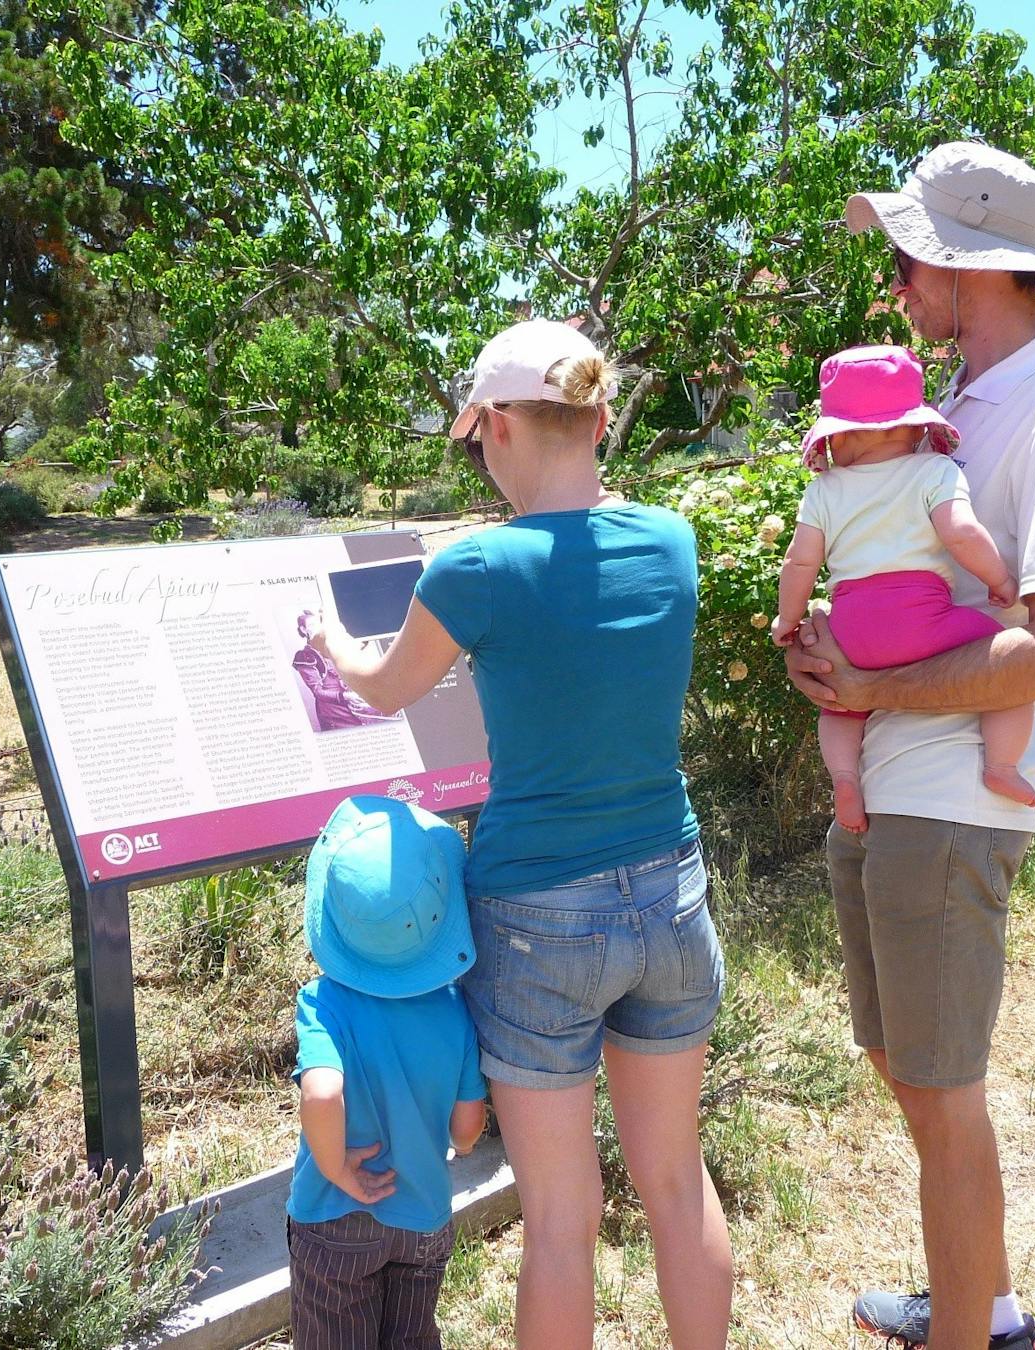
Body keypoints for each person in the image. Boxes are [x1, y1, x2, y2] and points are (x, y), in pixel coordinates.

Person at [304, 318, 732, 1350]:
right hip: (670, 888)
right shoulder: (671, 538)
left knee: (559, 1221)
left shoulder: (475, 569)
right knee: (677, 1183)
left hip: (540, 915)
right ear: (595, 419)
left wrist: (330, 641)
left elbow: (382, 686)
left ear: (496, 425)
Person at [785, 142, 1035, 1350]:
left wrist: (876, 680)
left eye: (901, 258)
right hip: (895, 781)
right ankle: (983, 1303)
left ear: (956, 263)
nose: (895, 288)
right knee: (904, 1068)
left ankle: (971, 1335)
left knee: (941, 1085)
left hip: (952, 799)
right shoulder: (960, 412)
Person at [771, 344, 1035, 835]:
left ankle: (846, 780)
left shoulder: (825, 489)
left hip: (850, 630)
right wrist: (1000, 581)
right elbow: (961, 533)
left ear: (840, 435)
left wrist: (788, 621)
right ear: (914, 426)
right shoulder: (934, 470)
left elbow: (800, 560)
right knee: (1011, 669)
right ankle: (1001, 765)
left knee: (840, 702)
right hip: (924, 620)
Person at [287, 794, 489, 1350]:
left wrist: (336, 1168)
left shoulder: (322, 1003)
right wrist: (462, 1147)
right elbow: (467, 1130)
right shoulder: (455, 1011)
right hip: (421, 1214)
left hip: (334, 1219)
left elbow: (323, 1093)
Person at [292, 612, 399, 730]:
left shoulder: (335, 645)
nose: (317, 627)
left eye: (319, 623)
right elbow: (317, 692)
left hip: (355, 704)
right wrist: (345, 696)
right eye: (312, 624)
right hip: (333, 712)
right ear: (303, 629)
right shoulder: (305, 656)